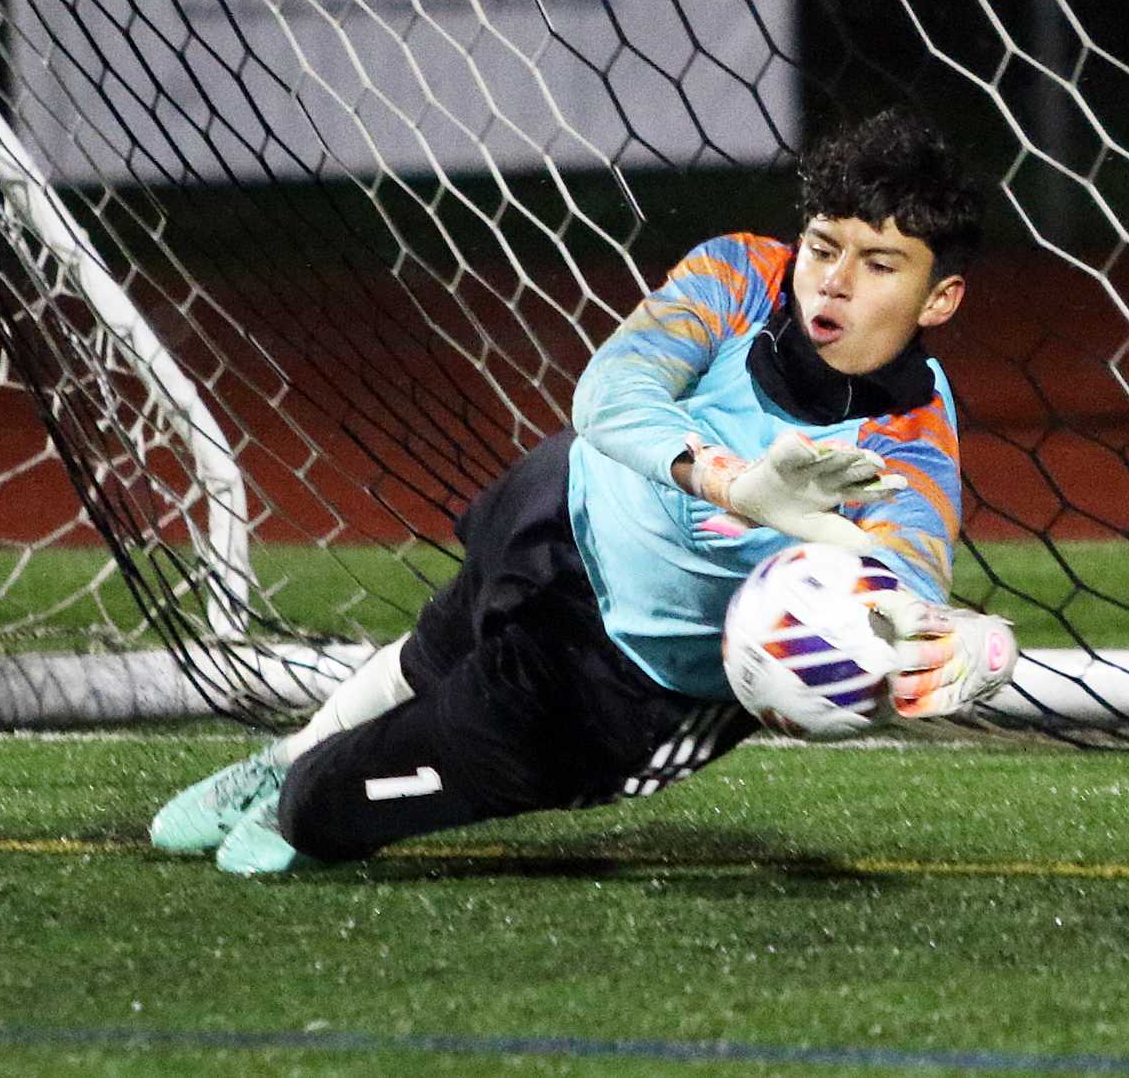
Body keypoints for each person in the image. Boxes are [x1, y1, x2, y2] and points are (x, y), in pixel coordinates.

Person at [150, 107, 1018, 875]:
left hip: (615, 681)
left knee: (322, 808)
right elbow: (610, 393)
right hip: (559, 517)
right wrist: (736, 485)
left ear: (938, 298)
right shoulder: (742, 274)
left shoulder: (908, 445)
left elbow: (904, 576)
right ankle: (287, 752)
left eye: (878, 264)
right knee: (430, 651)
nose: (833, 279)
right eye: (825, 247)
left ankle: (300, 790)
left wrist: (965, 644)